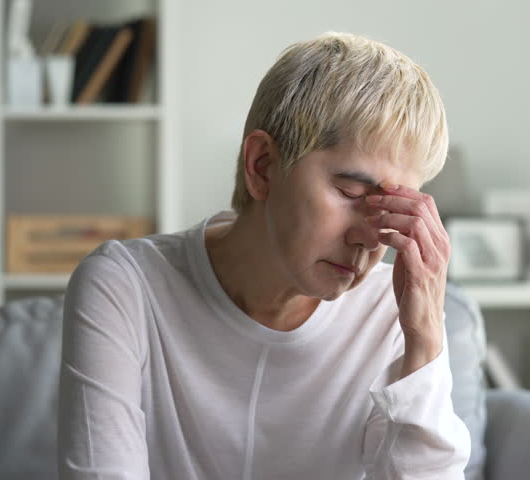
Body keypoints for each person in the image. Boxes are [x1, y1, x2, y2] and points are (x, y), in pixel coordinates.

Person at [57, 32, 472, 479]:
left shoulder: (392, 313)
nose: (370, 238)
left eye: (393, 209)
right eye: (351, 192)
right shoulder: (126, 286)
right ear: (262, 165)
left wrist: (426, 338)